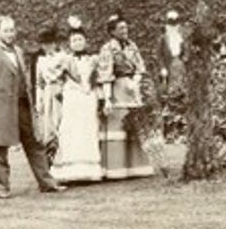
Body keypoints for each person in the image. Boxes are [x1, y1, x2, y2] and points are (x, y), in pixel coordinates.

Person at [0, 16, 65, 198]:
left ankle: (47, 183)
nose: (10, 34)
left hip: (22, 106)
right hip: (1, 110)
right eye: (6, 30)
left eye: (12, 30)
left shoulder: (19, 52)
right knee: (1, 149)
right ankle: (2, 188)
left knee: (35, 145)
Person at [96, 13, 156, 179]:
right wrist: (107, 98)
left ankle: (137, 167)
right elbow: (105, 75)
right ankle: (117, 168)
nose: (125, 30)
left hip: (132, 88)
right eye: (121, 28)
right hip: (117, 90)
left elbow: (140, 67)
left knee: (135, 125)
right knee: (118, 127)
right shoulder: (107, 49)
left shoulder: (132, 46)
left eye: (126, 27)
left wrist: (135, 81)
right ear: (112, 31)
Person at [50, 17, 104, 183]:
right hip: (72, 99)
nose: (77, 42)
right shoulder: (65, 60)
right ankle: (69, 171)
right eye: (74, 40)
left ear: (85, 41)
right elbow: (54, 78)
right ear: (69, 43)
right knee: (71, 131)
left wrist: (97, 93)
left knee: (88, 131)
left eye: (80, 39)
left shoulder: (93, 60)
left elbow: (100, 79)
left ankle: (89, 171)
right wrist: (65, 91)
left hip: (88, 98)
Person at [34, 26, 70, 160]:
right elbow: (39, 83)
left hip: (63, 91)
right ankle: (51, 158)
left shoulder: (65, 57)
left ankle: (66, 156)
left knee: (62, 121)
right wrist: (39, 101)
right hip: (48, 93)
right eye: (44, 44)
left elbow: (70, 77)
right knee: (49, 125)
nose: (47, 47)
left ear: (55, 43)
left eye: (50, 43)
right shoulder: (41, 61)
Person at [160, 9, 187, 94]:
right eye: (171, 23)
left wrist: (184, 59)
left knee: (181, 88)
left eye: (175, 23)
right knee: (169, 90)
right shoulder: (163, 38)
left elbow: (185, 50)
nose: (173, 26)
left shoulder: (181, 37)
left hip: (180, 65)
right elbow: (159, 54)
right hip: (168, 65)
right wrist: (162, 67)